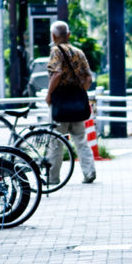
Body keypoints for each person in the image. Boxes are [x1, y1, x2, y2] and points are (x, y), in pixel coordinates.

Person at [45, 20, 96, 184]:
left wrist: (49, 94)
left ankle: (53, 178)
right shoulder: (78, 52)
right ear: (68, 35)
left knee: (57, 141)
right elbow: (89, 77)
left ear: (53, 36)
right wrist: (81, 91)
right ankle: (89, 172)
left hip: (60, 103)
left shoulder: (55, 51)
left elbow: (57, 74)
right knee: (81, 140)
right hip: (76, 103)